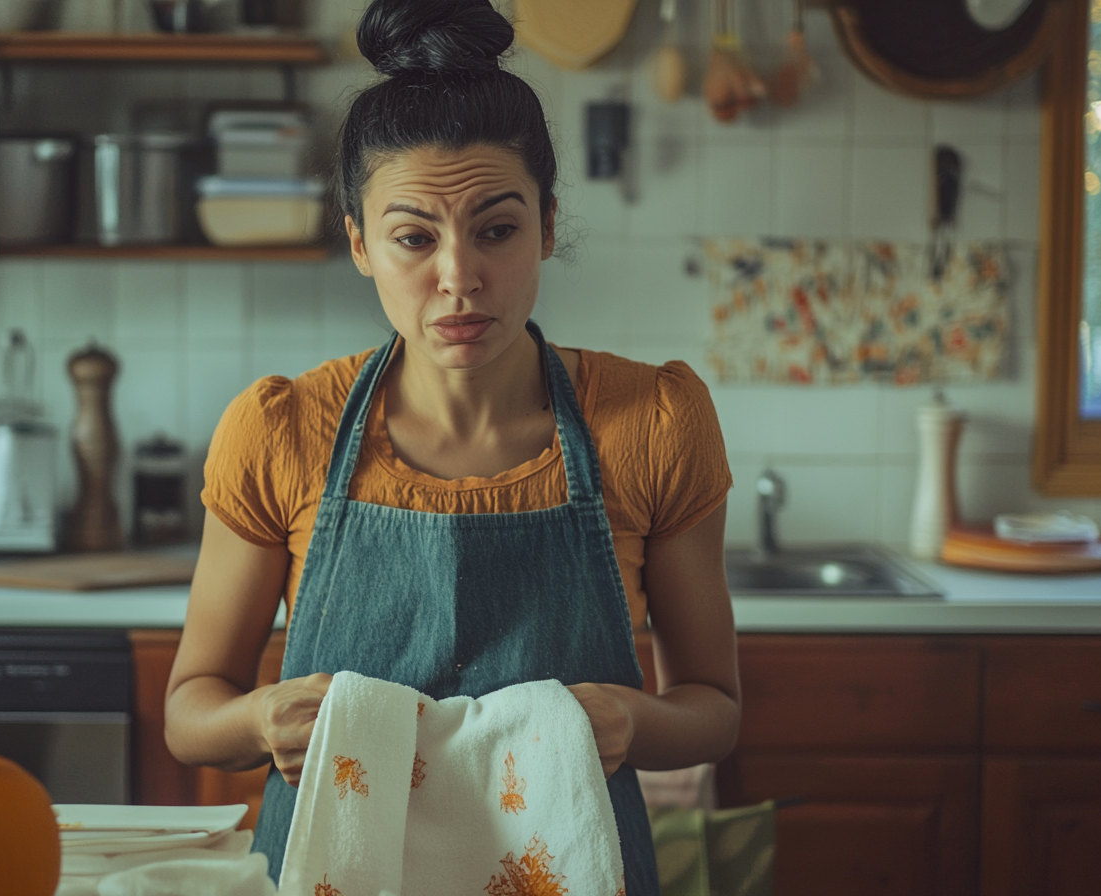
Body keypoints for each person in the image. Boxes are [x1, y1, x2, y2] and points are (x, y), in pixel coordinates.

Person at [163, 0, 740, 891]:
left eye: (497, 230)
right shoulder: (281, 432)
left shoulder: (656, 423)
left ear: (548, 227)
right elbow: (190, 706)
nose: (459, 276)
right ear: (359, 242)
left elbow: (714, 709)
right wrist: (260, 720)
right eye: (413, 237)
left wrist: (634, 719)